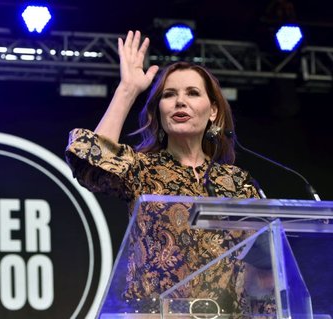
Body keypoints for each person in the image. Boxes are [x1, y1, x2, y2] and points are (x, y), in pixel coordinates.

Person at [65, 31, 264, 314]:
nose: (179, 102)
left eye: (192, 93)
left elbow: (261, 267)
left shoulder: (237, 183)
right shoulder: (142, 169)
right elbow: (88, 161)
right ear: (158, 112)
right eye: (169, 95)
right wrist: (128, 89)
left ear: (213, 112)